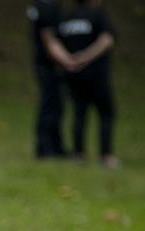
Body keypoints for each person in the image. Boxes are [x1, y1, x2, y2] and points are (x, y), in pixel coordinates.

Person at [58, 0, 119, 168]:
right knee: (106, 113)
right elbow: (107, 40)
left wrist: (70, 61)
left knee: (79, 113)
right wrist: (85, 57)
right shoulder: (98, 15)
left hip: (73, 74)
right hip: (96, 75)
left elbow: (55, 40)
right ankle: (106, 156)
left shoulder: (67, 17)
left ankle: (79, 154)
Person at [27, 0, 73, 159]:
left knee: (57, 106)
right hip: (49, 66)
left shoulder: (49, 6)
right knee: (50, 106)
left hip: (51, 64)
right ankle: (46, 148)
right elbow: (48, 39)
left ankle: (56, 146)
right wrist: (65, 60)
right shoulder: (46, 8)